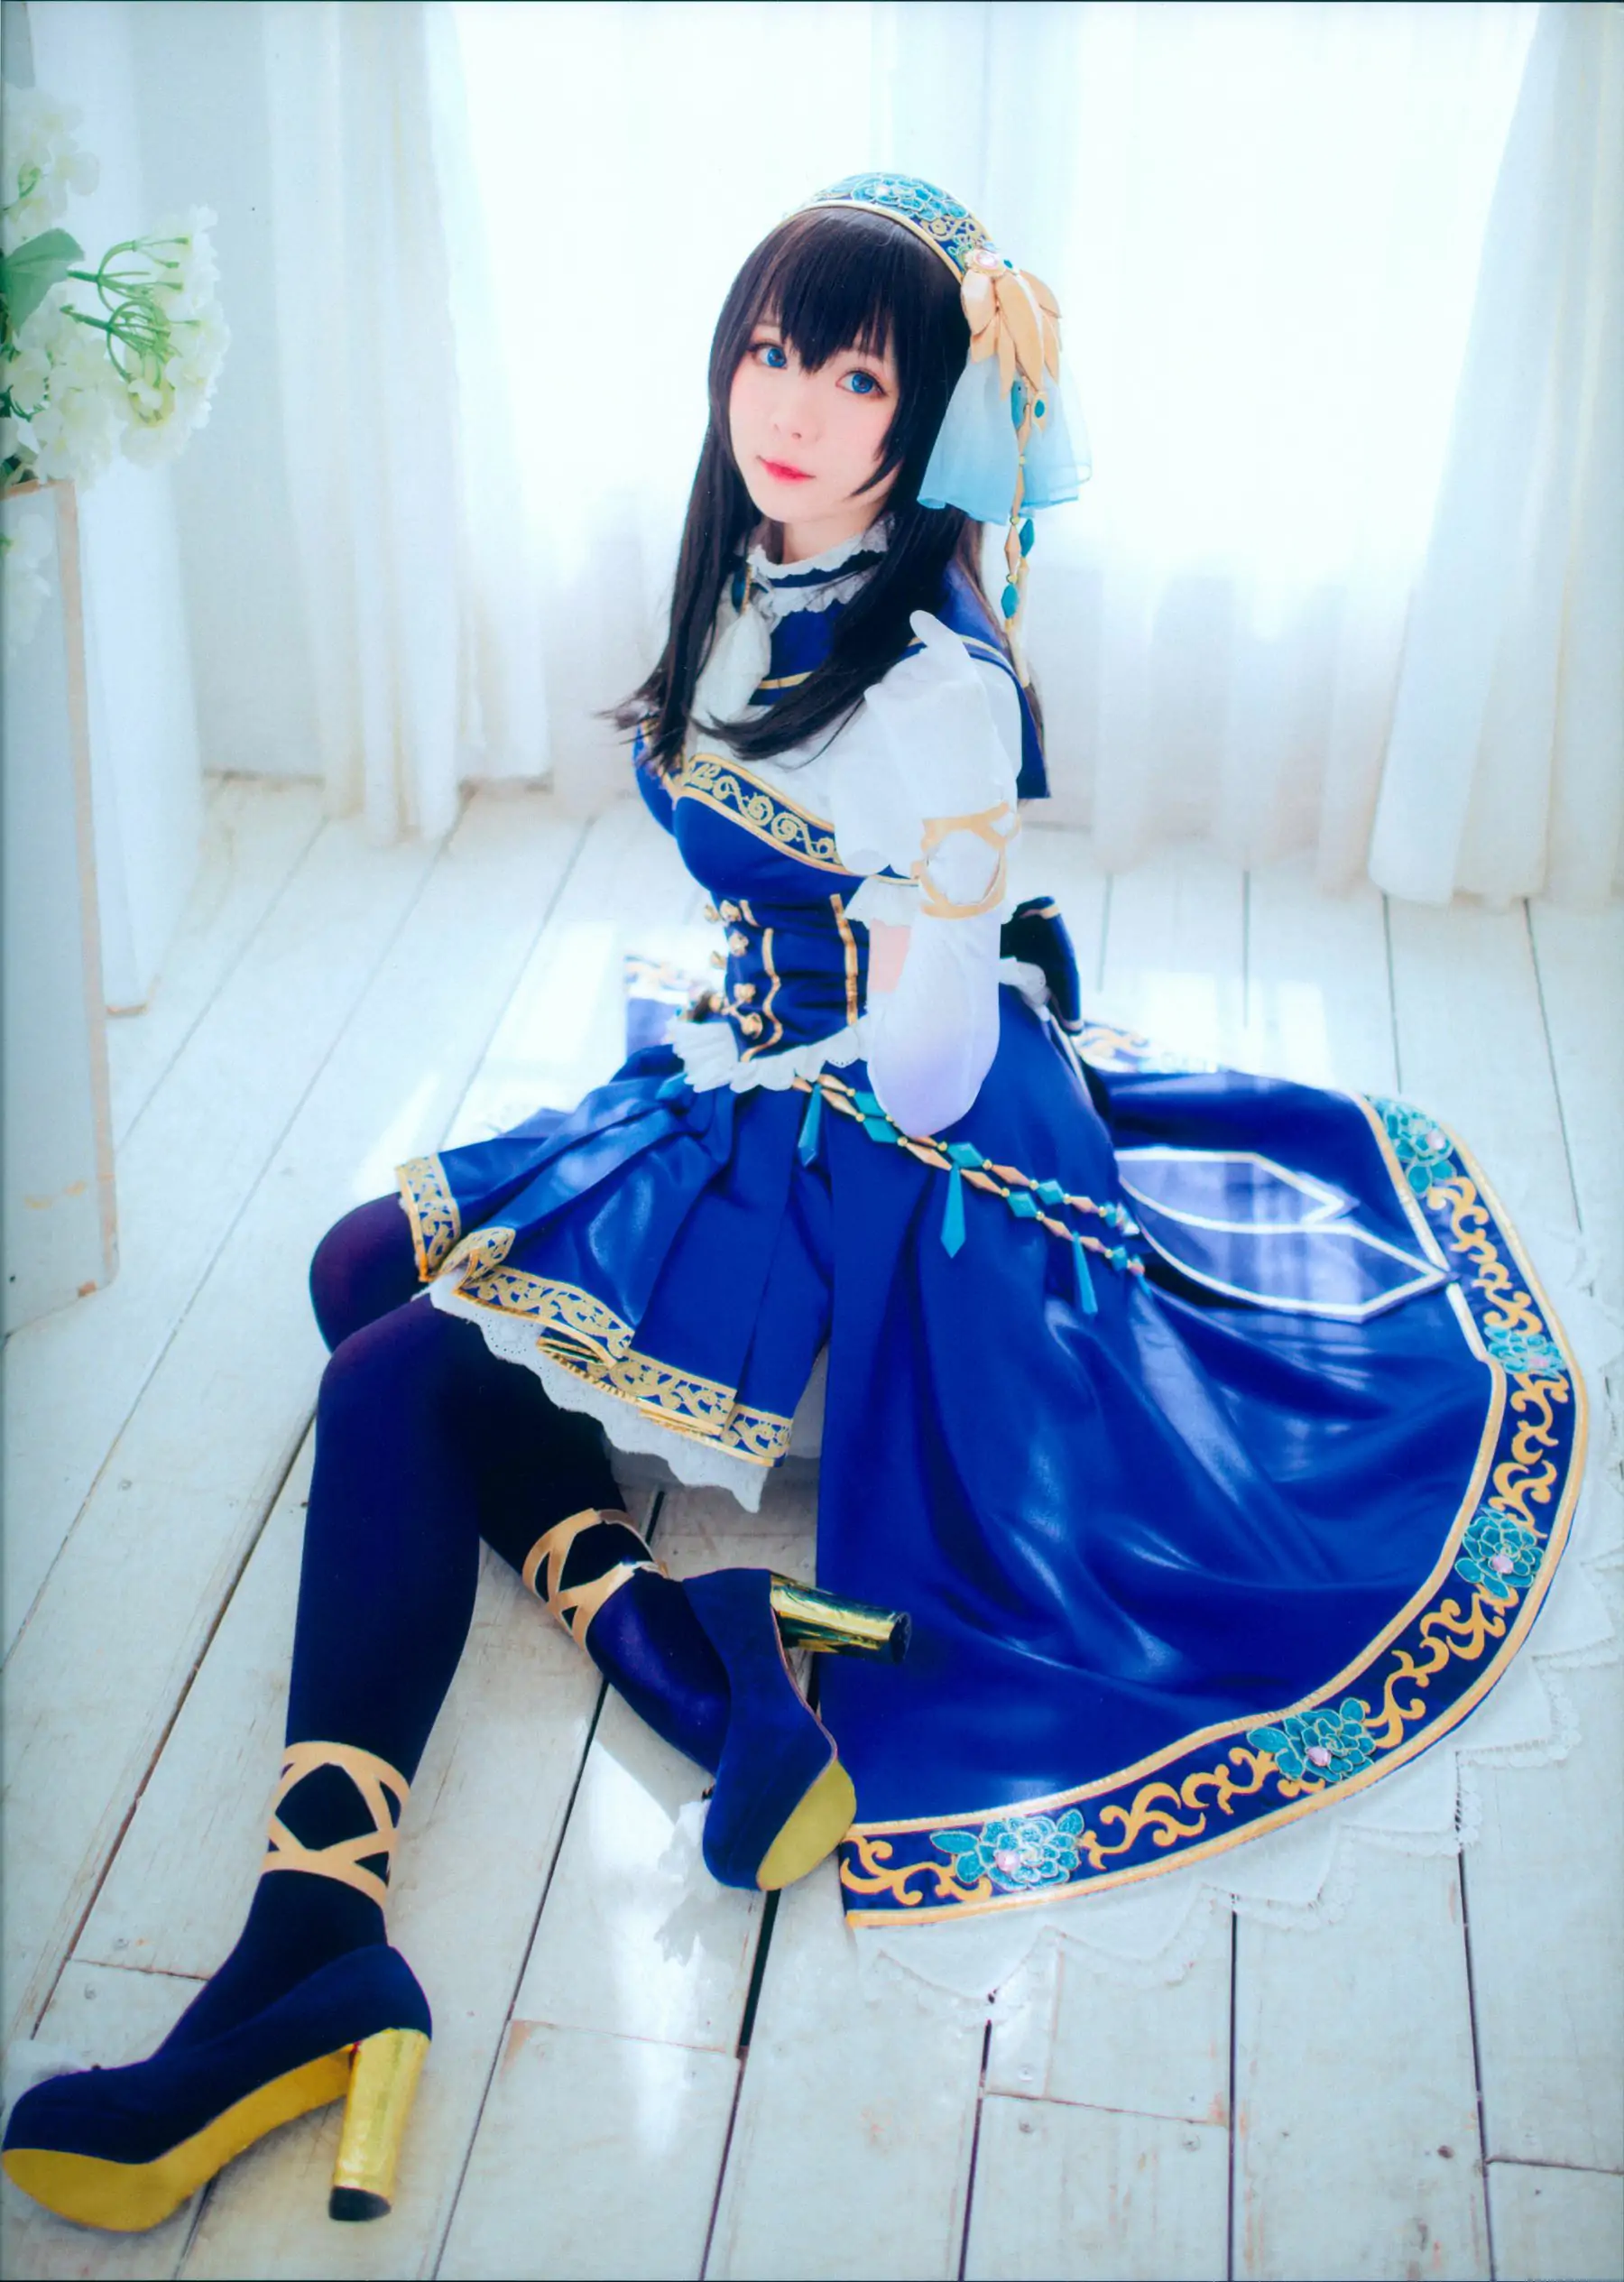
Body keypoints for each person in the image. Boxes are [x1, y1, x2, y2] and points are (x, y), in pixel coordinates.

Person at [3, 172, 1582, 2235]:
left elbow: (923, 1063)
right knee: (357, 1271)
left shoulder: (932, 686)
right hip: (764, 1073)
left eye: (858, 377)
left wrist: (869, 941)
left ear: (928, 419)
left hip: (896, 1175)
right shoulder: (757, 563)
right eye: (773, 350)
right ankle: (687, 1641)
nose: (796, 406)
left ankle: (316, 1935)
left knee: (389, 1380)